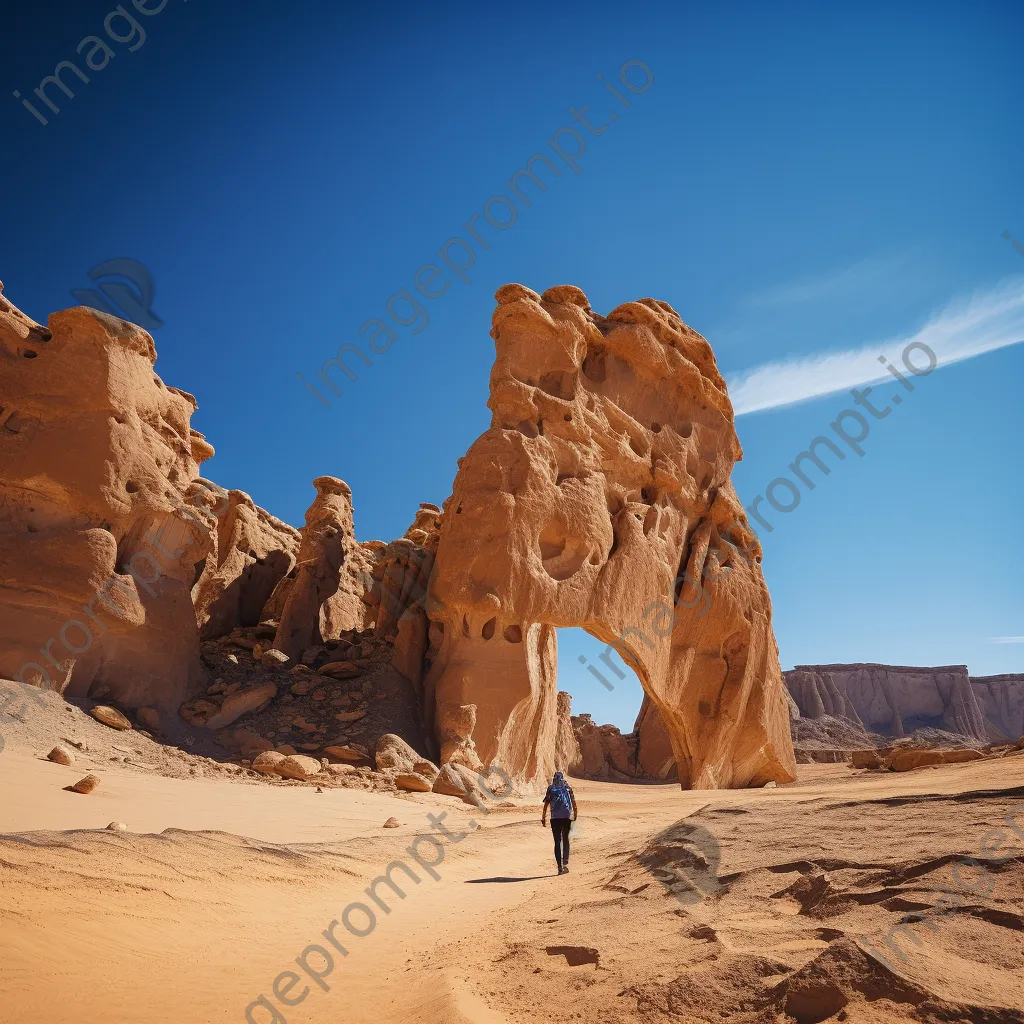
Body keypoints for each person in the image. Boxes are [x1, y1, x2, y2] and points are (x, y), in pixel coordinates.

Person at [541, 770, 578, 875]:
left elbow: (546, 805)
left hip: (555, 818)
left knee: (557, 842)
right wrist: (575, 814)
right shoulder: (567, 788)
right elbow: (573, 802)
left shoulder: (551, 789)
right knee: (565, 839)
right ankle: (565, 862)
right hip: (566, 817)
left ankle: (559, 868)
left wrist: (543, 818)